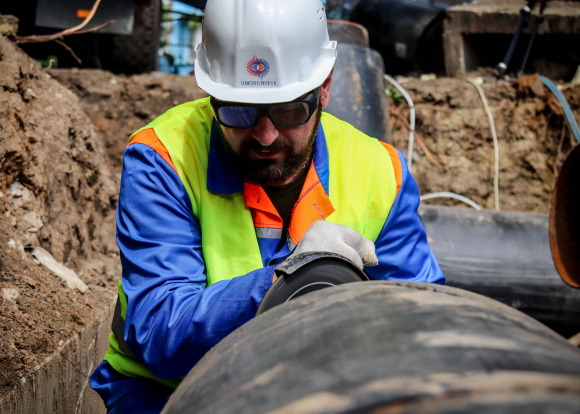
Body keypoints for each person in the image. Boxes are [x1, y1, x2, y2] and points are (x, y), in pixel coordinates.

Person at [90, 0, 445, 412]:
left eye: (290, 110)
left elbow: (422, 321)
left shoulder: (381, 172)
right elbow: (158, 330)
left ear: (325, 86)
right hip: (168, 392)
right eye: (239, 112)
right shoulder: (164, 156)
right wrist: (289, 281)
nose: (264, 135)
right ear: (210, 94)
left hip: (315, 387)